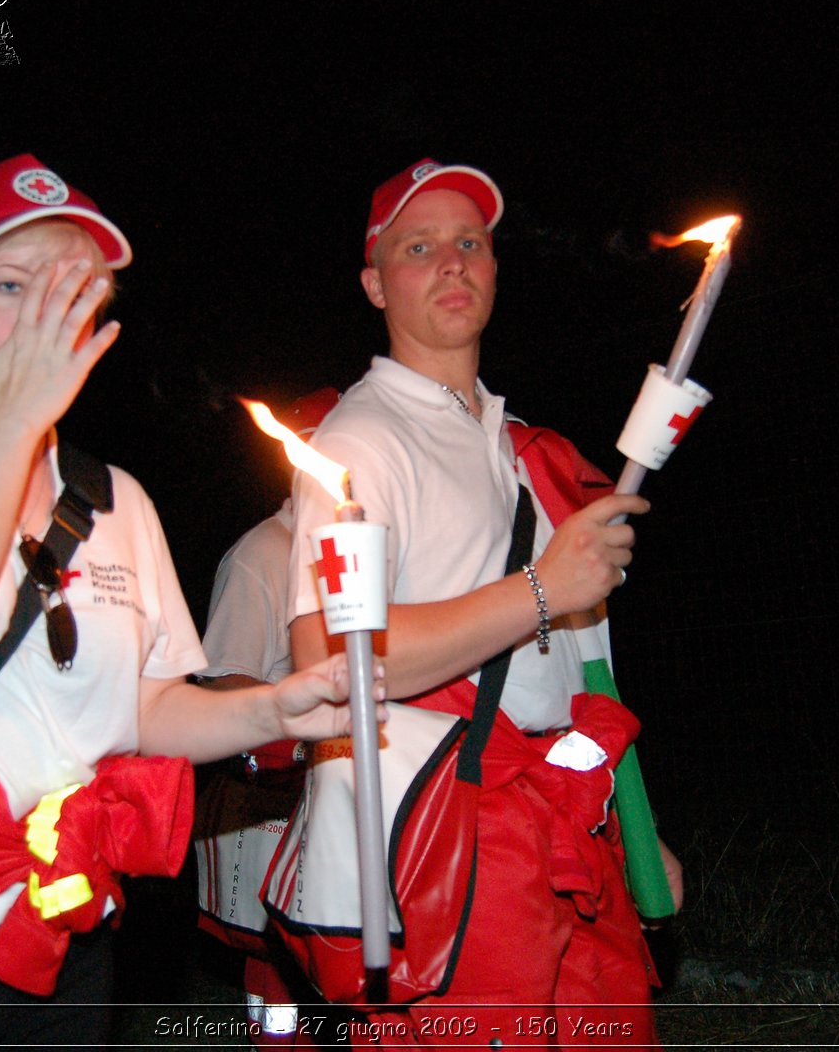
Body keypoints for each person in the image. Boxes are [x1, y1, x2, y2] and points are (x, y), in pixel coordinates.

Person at [0, 153, 376, 1048]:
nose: (46, 319)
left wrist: (273, 708)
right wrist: (13, 420)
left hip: (62, 933)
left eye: (72, 292)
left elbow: (142, 707)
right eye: (13, 285)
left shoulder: (114, 497)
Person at [288, 159, 657, 1044]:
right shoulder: (363, 441)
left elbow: (581, 665)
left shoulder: (518, 445)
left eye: (471, 244)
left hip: (569, 820)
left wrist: (637, 834)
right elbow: (333, 663)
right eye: (419, 248)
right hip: (456, 836)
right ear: (376, 284)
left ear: (495, 269)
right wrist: (540, 589)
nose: (452, 263)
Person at [193, 388, 340, 1047]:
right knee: (277, 971)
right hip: (271, 803)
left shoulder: (354, 552)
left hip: (340, 798)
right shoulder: (262, 555)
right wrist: (301, 736)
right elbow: (225, 680)